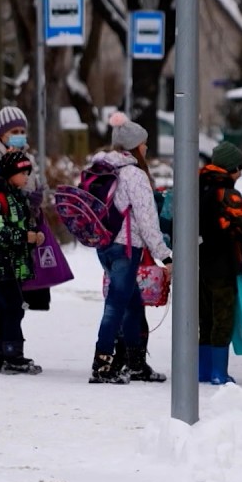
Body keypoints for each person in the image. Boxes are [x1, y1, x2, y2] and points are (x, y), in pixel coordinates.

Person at [89, 113, 173, 384]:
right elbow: (148, 222)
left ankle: (136, 364)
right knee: (115, 305)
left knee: (132, 304)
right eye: (144, 143)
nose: (146, 148)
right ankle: (102, 365)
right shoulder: (134, 175)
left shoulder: (102, 168)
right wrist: (165, 256)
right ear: (135, 146)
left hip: (104, 245)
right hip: (126, 248)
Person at [0, 106, 60, 311]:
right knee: (6, 300)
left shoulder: (27, 157)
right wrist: (10, 179)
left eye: (22, 131)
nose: (20, 136)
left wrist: (36, 199)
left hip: (20, 234)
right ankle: (8, 341)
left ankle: (8, 339)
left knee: (14, 301)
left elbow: (32, 185)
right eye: (14, 132)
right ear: (1, 134)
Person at [198, 141, 242, 385]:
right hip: (222, 263)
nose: (241, 173)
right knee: (222, 317)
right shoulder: (227, 193)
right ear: (231, 168)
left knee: (204, 317)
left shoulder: (195, 185)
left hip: (196, 262)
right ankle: (218, 373)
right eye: (239, 168)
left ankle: (202, 371)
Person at [0, 151, 44, 374]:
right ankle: (12, 355)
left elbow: (23, 224)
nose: (26, 177)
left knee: (2, 308)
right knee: (13, 308)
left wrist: (34, 235)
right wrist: (25, 237)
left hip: (14, 264)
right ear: (10, 174)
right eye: (22, 172)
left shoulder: (17, 197)